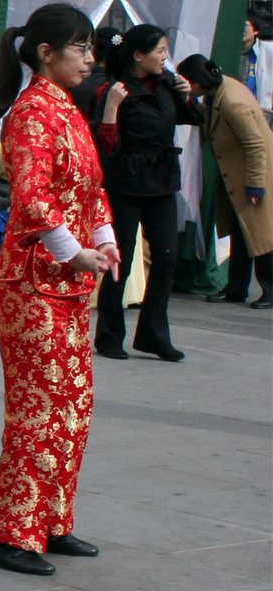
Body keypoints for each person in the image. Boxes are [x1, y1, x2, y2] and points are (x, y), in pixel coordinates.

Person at [0, 3, 120, 575]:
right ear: (46, 53)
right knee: (38, 405)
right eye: (80, 47)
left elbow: (90, 187)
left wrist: (104, 238)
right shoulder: (33, 113)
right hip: (32, 281)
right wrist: (76, 249)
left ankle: (51, 518)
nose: (89, 58)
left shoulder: (66, 107)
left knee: (74, 402)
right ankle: (11, 533)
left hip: (66, 280)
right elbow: (34, 199)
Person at [88, 23, 196, 362]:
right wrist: (111, 107)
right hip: (126, 183)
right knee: (120, 258)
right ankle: (109, 335)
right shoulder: (116, 89)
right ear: (138, 55)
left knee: (165, 257)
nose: (165, 57)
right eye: (159, 51)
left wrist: (186, 96)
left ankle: (153, 334)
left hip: (162, 182)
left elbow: (191, 119)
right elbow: (105, 146)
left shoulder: (166, 83)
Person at [180, 54, 273, 308]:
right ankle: (236, 288)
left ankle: (270, 289)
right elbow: (210, 119)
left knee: (261, 235)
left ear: (197, 81)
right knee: (241, 233)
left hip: (252, 173)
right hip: (239, 173)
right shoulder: (222, 90)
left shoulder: (231, 101)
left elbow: (255, 144)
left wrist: (255, 183)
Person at [243, 9, 273, 124]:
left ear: (255, 30)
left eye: (245, 25)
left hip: (262, 115)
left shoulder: (268, 50)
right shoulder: (230, 52)